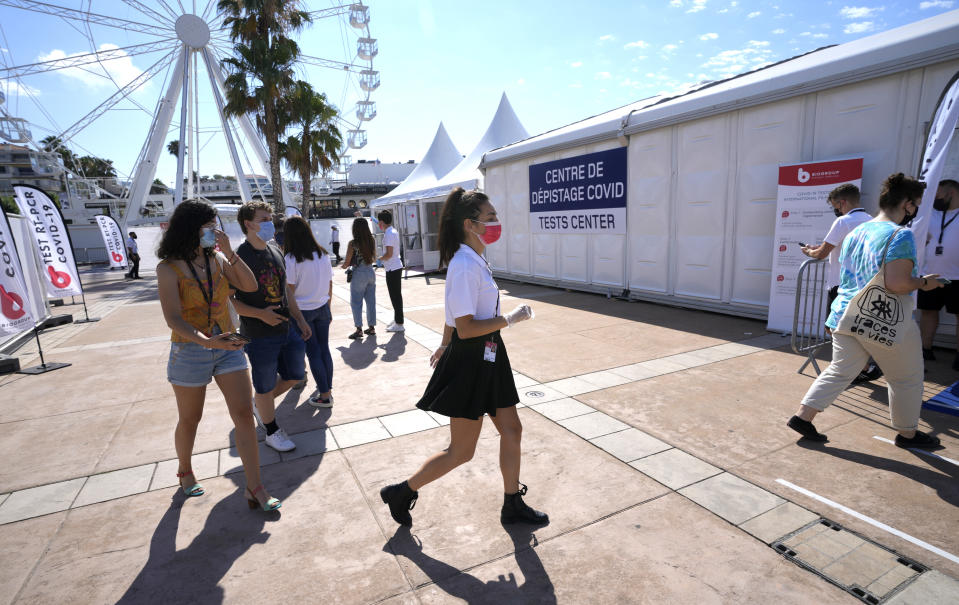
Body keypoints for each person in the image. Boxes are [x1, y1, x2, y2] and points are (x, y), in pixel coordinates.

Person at [380, 187, 547, 527]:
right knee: (462, 451)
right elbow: (467, 327)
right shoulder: (464, 265)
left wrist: (443, 343)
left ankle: (512, 503)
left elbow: (452, 315)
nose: (496, 223)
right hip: (472, 359)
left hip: (489, 355)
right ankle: (403, 490)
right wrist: (511, 319)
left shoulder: (474, 259)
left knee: (512, 429)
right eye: (491, 218)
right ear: (471, 224)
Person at [787, 173, 944, 449]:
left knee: (840, 369)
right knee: (906, 377)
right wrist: (925, 283)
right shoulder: (900, 234)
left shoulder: (856, 232)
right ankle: (907, 434)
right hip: (883, 319)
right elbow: (897, 283)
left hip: (844, 315)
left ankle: (803, 417)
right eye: (916, 204)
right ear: (907, 204)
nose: (916, 211)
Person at [156, 200, 280, 511]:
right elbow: (173, 318)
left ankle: (255, 487)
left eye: (216, 227)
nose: (215, 232)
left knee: (243, 416)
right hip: (190, 349)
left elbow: (249, 286)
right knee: (190, 418)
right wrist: (208, 343)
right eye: (209, 228)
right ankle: (185, 469)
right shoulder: (169, 268)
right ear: (191, 229)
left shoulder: (220, 259)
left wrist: (231, 253)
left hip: (229, 346)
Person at [230, 201, 312, 453]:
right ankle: (271, 429)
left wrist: (299, 318)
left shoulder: (275, 249)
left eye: (270, 219)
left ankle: (260, 406)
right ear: (248, 224)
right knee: (264, 384)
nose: (270, 224)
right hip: (259, 334)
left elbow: (286, 291)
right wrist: (260, 315)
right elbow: (231, 300)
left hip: (287, 327)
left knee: (296, 374)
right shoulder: (238, 257)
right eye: (264, 219)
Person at [801, 183, 878, 382]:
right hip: (863, 284)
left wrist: (810, 252)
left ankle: (860, 367)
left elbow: (821, 254)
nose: (836, 210)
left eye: (836, 205)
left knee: (834, 327)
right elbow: (838, 247)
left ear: (842, 202)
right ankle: (861, 366)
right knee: (852, 329)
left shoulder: (843, 221)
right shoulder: (871, 220)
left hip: (840, 284)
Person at [283, 216, 335, 408]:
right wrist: (328, 309)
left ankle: (325, 395)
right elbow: (330, 284)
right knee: (324, 350)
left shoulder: (291, 259)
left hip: (302, 312)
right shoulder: (322, 254)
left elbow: (290, 290)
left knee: (313, 354)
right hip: (322, 307)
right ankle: (327, 388)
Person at [919, 179, 959, 370]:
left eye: (938, 194)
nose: (935, 198)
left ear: (951, 193)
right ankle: (925, 349)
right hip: (932, 276)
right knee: (929, 311)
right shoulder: (931, 214)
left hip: (957, 277)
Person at [342, 217, 377, 339]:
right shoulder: (371, 240)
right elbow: (373, 259)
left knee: (356, 302)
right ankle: (371, 328)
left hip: (359, 274)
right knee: (371, 302)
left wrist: (343, 266)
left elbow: (346, 263)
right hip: (370, 272)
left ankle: (359, 329)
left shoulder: (353, 243)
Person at [378, 210, 405, 333]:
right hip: (394, 267)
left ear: (382, 222)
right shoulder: (392, 231)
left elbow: (389, 254)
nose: (379, 224)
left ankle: (399, 323)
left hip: (392, 268)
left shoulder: (389, 233)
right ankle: (397, 319)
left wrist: (378, 259)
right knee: (395, 296)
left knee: (395, 296)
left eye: (379, 222)